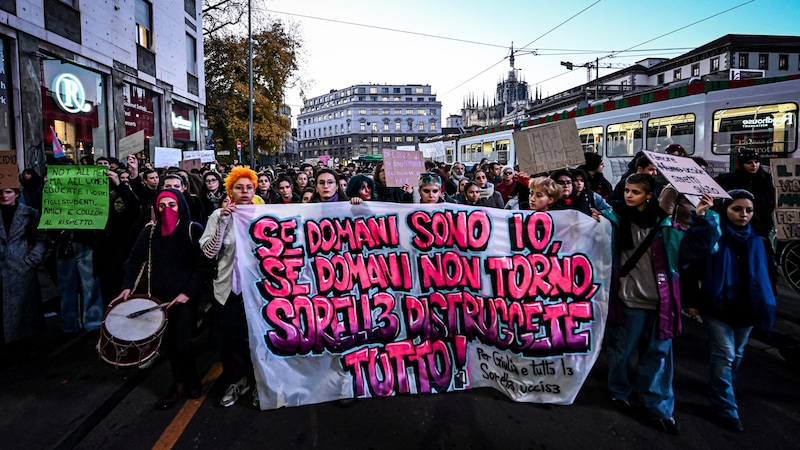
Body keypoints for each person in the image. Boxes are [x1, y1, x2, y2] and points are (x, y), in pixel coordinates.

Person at [602, 173, 717, 435]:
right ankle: (619, 392)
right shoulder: (613, 219)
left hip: (661, 304)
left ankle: (658, 406)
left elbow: (696, 249)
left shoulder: (666, 226)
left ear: (649, 195)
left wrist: (704, 216)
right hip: (627, 299)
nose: (629, 195)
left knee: (657, 357)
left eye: (635, 192)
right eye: (627, 191)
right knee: (621, 351)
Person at [685, 189, 776, 433]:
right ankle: (726, 406)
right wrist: (701, 215)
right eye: (737, 209)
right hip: (718, 304)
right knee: (724, 354)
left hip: (748, 306)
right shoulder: (714, 234)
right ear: (725, 209)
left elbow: (769, 274)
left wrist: (768, 302)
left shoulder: (759, 238)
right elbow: (693, 259)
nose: (743, 215)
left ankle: (723, 388)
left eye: (748, 210)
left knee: (736, 353)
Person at [114, 189, 208, 410]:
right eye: (162, 205)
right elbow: (135, 260)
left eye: (172, 205)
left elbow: (202, 266)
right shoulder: (150, 233)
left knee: (182, 343)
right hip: (158, 299)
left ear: (181, 207)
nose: (167, 210)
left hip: (184, 298)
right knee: (169, 345)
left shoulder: (193, 230)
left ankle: (192, 380)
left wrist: (188, 292)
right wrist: (127, 286)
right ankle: (179, 384)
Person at [199, 167, 260, 408]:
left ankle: (259, 383)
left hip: (257, 291)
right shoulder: (217, 216)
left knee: (255, 339)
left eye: (249, 187)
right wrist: (223, 222)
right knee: (230, 341)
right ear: (230, 191)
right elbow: (208, 253)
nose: (244, 191)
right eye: (239, 187)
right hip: (226, 290)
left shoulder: (264, 214)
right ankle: (237, 380)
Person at [0, 187, 47, 354]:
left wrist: (31, 261)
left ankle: (23, 346)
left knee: (23, 311)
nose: (4, 196)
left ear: (17, 194)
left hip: (20, 267)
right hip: (3, 269)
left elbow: (40, 239)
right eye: (1, 193)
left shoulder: (29, 213)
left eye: (8, 192)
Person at [715, 149, 775, 238]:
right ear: (742, 164)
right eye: (749, 162)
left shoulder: (767, 180)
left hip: (760, 227)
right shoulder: (729, 180)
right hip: (734, 226)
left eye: (756, 162)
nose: (754, 165)